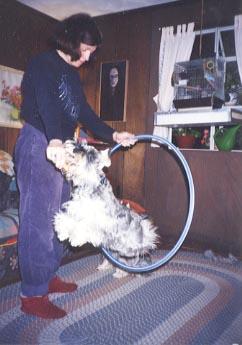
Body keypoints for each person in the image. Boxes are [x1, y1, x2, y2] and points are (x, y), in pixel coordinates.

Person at [14, 13, 136, 319]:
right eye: (85, 49)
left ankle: (48, 275)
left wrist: (112, 133)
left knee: (64, 214)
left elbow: (84, 112)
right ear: (69, 41)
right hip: (39, 142)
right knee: (38, 219)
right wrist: (55, 141)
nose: (88, 56)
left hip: (62, 147)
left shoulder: (71, 74)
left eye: (92, 52)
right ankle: (32, 293)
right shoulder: (43, 64)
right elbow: (46, 104)